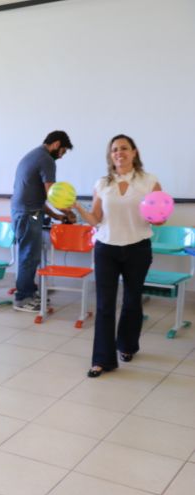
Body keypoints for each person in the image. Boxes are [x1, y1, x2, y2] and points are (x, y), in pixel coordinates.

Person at [72, 134, 161, 378]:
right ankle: (102, 359)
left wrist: (160, 218)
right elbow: (95, 219)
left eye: (124, 148)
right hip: (106, 248)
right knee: (104, 305)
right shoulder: (103, 183)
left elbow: (158, 216)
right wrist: (77, 207)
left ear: (134, 152)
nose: (119, 153)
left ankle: (127, 345)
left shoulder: (149, 181)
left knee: (132, 301)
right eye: (114, 150)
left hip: (137, 248)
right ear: (110, 155)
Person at [11, 131, 76, 312]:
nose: (61, 156)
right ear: (56, 144)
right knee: (29, 256)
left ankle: (29, 292)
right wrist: (68, 212)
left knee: (30, 255)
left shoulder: (35, 155)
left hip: (28, 212)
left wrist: (57, 216)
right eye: (63, 151)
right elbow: (52, 194)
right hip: (28, 214)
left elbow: (39, 199)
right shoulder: (46, 159)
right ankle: (23, 298)